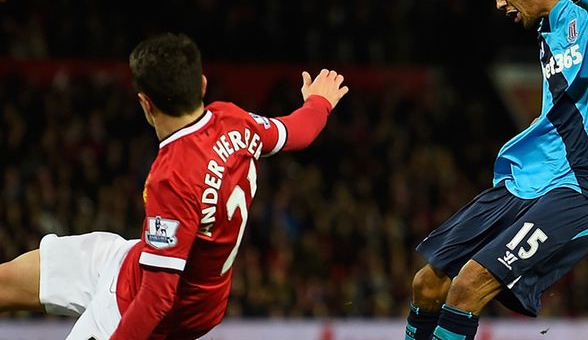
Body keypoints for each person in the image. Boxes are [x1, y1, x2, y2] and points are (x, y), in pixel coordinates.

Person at [0, 33, 349, 339]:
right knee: (6, 282)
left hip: (145, 314)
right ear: (202, 84)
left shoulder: (172, 177)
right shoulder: (233, 120)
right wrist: (319, 102)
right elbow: (296, 132)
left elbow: (157, 297)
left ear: (145, 104)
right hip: (131, 262)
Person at [403, 0, 588, 340]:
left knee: (469, 285)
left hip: (583, 186)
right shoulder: (546, 35)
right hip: (529, 182)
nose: (499, 4)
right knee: (427, 283)